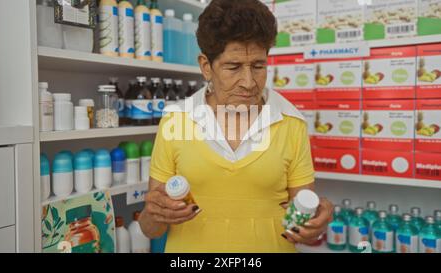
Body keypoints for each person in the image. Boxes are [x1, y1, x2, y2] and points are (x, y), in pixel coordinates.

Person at [139, 0, 333, 253]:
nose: (249, 82)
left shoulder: (290, 122)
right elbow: (151, 229)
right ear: (206, 67)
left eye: (258, 66)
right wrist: (154, 214)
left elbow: (300, 226)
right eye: (233, 67)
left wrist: (315, 219)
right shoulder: (176, 121)